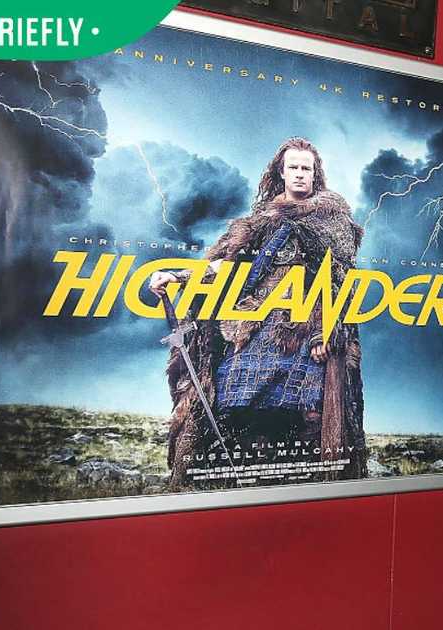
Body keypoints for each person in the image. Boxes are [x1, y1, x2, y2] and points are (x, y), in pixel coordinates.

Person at [150, 137, 367, 486]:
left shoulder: (332, 219)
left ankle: (303, 490)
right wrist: (177, 277)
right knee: (236, 406)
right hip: (257, 329)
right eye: (293, 167)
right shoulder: (261, 221)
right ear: (281, 172)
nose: (299, 174)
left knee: (308, 414)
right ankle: (244, 486)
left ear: (316, 174)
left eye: (306, 168)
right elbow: (225, 267)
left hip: (307, 330)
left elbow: (340, 281)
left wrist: (326, 331)